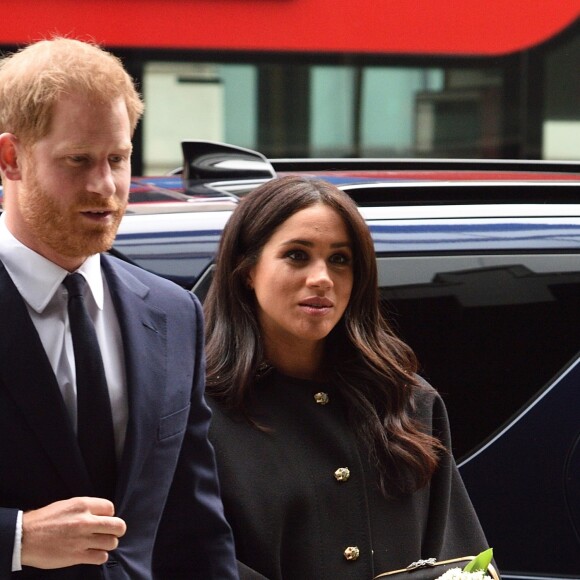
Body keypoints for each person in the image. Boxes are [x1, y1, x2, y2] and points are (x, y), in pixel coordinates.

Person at [0, 37, 238, 579]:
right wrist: (18, 538)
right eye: (78, 160)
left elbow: (194, 525)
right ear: (11, 158)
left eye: (118, 158)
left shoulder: (174, 314)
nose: (105, 186)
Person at [203, 175, 492, 579]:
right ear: (247, 270)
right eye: (297, 255)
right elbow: (182, 556)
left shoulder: (407, 401)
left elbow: (464, 562)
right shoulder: (197, 413)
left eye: (340, 259)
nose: (322, 278)